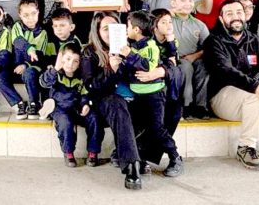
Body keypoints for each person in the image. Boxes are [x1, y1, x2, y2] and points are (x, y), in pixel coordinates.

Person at [204, 0, 259, 171]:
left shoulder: (255, 40)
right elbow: (227, 71)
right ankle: (246, 147)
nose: (235, 17)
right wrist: (256, 87)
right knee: (256, 94)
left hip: (253, 101)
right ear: (222, 19)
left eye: (239, 12)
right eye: (229, 13)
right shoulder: (213, 41)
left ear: (245, 15)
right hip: (223, 100)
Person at [80, 11, 143, 190]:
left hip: (131, 96)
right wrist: (111, 70)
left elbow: (141, 73)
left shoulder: (129, 47)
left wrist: (129, 58)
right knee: (117, 105)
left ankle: (141, 154)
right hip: (104, 100)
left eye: (115, 28)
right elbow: (91, 85)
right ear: (97, 31)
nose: (110, 32)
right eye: (106, 29)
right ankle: (132, 165)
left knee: (159, 103)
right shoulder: (89, 52)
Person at [122, 11, 184, 177]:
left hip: (155, 96)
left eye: (128, 26)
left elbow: (147, 65)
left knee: (158, 129)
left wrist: (129, 55)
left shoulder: (151, 46)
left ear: (136, 29)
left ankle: (175, 157)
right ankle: (138, 159)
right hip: (137, 95)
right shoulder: (132, 44)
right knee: (137, 127)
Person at [40, 42, 101, 167]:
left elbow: (84, 94)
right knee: (66, 122)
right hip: (59, 108)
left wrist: (85, 104)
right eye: (67, 59)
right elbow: (44, 82)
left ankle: (93, 152)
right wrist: (55, 68)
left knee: (93, 117)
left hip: (76, 107)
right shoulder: (54, 73)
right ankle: (68, 152)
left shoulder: (81, 78)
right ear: (61, 58)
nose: (70, 64)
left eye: (75, 61)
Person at [169, 0, 210, 118]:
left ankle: (201, 106)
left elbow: (209, 47)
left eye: (190, 0)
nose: (188, 4)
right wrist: (169, 12)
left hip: (194, 57)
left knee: (204, 67)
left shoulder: (199, 24)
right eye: (183, 0)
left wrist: (195, 56)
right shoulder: (167, 20)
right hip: (174, 59)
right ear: (173, 3)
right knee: (186, 67)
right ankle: (187, 105)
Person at [11, 0, 54, 120]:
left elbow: (39, 55)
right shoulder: (17, 27)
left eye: (33, 13)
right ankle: (17, 102)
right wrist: (30, 48)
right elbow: (18, 41)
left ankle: (34, 103)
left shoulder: (43, 32)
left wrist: (26, 64)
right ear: (19, 15)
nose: (30, 18)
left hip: (32, 66)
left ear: (38, 12)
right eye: (26, 15)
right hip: (15, 66)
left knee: (30, 73)